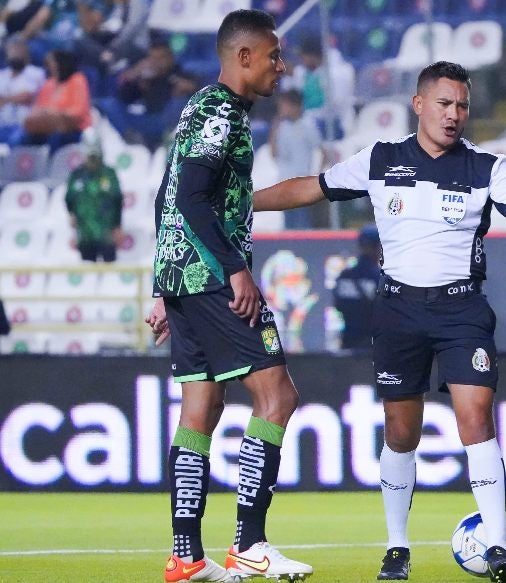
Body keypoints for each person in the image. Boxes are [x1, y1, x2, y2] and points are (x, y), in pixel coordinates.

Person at [252, 60, 506, 583]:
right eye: (444, 104)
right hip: (398, 308)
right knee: (401, 432)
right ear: (419, 104)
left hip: (462, 309)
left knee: (477, 416)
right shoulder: (380, 159)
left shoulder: (487, 165)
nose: (454, 115)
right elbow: (312, 187)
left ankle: (496, 544)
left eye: (462, 106)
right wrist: (244, 203)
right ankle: (397, 546)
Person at [143, 9, 313, 583]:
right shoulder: (222, 112)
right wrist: (236, 268)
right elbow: (190, 197)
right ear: (243, 57)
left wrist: (162, 285)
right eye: (273, 56)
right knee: (278, 397)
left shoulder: (202, 108)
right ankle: (250, 543)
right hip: (214, 277)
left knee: (201, 410)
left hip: (184, 278)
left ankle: (186, 556)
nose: (280, 66)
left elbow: (166, 193)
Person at [16, 49, 91, 152]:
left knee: (55, 138)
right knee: (24, 137)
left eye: (51, 62)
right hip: (47, 127)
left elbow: (78, 111)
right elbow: (38, 108)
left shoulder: (77, 80)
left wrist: (56, 114)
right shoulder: (48, 84)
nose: (48, 66)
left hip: (72, 128)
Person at [268, 88, 322, 229]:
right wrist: (275, 128)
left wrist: (316, 175)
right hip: (284, 182)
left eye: (283, 105)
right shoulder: (282, 126)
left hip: (301, 181)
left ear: (295, 105)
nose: (281, 109)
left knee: (302, 222)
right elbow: (274, 154)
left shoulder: (307, 125)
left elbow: (322, 150)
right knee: (288, 224)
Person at [64, 141, 123, 262]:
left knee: (110, 271)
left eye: (95, 157)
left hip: (106, 232)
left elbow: (117, 200)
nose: (92, 160)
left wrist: (118, 226)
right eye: (90, 157)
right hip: (85, 232)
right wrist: (71, 214)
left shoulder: (109, 174)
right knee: (88, 271)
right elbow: (69, 198)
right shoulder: (77, 175)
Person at [333, 223, 380, 352]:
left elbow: (338, 305)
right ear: (378, 247)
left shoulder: (344, 276)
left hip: (348, 342)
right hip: (373, 345)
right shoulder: (378, 277)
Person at [0, 36, 45, 144]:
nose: (15, 53)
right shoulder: (2, 75)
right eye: (12, 50)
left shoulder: (36, 73)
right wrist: (15, 98)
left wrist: (5, 99)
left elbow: (28, 96)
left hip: (23, 124)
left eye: (19, 50)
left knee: (15, 140)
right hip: (2, 122)